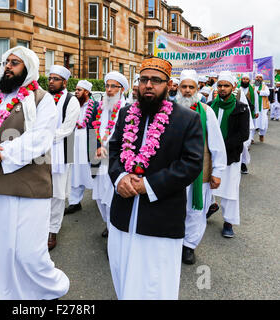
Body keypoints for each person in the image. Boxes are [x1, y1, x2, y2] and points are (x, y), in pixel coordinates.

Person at [0, 46, 69, 299]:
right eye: (6, 62)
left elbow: (39, 139)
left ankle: (50, 288)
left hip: (26, 186)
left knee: (28, 252)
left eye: (15, 63)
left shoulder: (43, 100)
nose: (8, 67)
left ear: (28, 68)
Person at [107, 57, 204, 299]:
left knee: (154, 283)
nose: (148, 85)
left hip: (161, 217)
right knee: (122, 272)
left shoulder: (186, 118)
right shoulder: (126, 113)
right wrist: (120, 179)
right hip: (123, 212)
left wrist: (147, 186)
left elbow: (191, 164)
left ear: (169, 85)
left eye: (156, 80)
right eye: (144, 80)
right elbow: (115, 151)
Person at [176, 70, 227, 265]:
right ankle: (174, 240)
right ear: (179, 88)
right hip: (175, 171)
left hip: (199, 172)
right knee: (175, 208)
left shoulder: (207, 112)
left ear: (197, 89)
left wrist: (218, 172)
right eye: (184, 87)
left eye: (191, 87)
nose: (187, 91)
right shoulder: (170, 110)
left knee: (195, 210)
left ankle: (189, 245)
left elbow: (217, 145)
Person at [208, 71, 250, 238]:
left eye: (226, 85)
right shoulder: (210, 106)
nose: (222, 88)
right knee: (207, 186)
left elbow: (243, 134)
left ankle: (228, 222)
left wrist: (220, 147)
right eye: (220, 85)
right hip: (209, 156)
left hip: (231, 156)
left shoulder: (241, 108)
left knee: (230, 190)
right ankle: (208, 208)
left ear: (233, 87)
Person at [91, 71, 129, 239]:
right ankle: (107, 222)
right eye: (107, 85)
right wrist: (97, 146)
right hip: (99, 156)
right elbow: (93, 130)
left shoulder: (127, 109)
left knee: (112, 194)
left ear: (122, 90)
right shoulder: (100, 107)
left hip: (115, 159)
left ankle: (114, 228)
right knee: (99, 194)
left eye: (114, 86)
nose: (109, 90)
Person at [47, 65, 80, 250]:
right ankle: (41, 225)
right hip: (43, 150)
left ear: (64, 82)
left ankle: (53, 230)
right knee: (42, 188)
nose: (51, 81)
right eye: (50, 78)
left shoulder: (71, 100)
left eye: (55, 79)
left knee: (57, 193)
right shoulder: (43, 98)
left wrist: (44, 137)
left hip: (63, 148)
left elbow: (68, 128)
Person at [65, 80, 97, 215]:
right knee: (74, 172)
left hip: (89, 140)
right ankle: (74, 202)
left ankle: (100, 198)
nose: (76, 92)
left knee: (93, 170)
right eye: (76, 89)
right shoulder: (72, 104)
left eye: (79, 90)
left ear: (87, 92)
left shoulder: (95, 106)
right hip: (72, 140)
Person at [237, 74, 255, 174]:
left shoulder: (240, 93)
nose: (223, 88)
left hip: (240, 121)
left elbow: (248, 106)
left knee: (243, 145)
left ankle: (243, 163)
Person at [252, 74, 270, 142]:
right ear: (255, 78)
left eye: (260, 77)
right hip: (254, 108)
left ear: (262, 79)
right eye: (257, 77)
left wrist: (260, 92)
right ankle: (251, 138)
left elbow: (268, 93)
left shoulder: (264, 86)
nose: (258, 78)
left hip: (262, 108)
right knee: (252, 123)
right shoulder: (252, 86)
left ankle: (261, 134)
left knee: (263, 123)